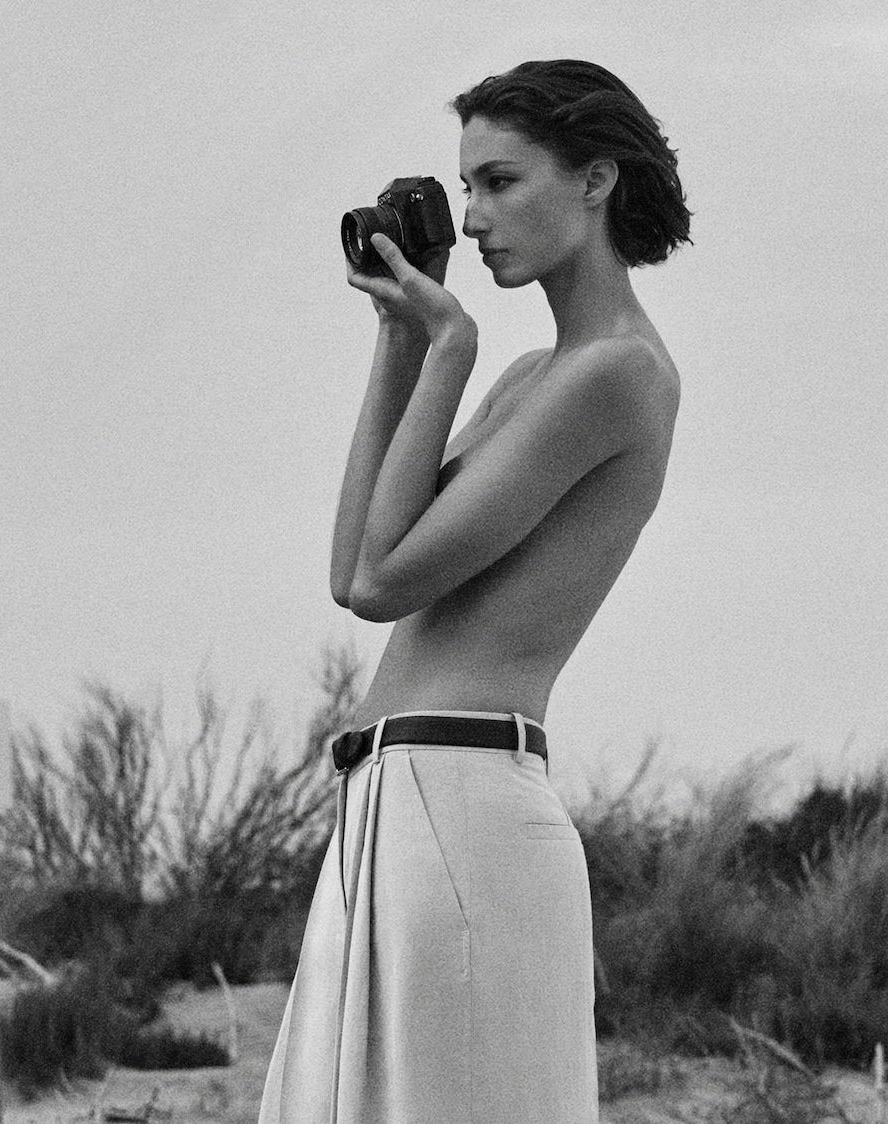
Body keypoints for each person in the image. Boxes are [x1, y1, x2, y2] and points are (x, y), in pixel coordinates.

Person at [259, 59, 690, 1124]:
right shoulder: (527, 380)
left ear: (595, 181)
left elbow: (380, 581)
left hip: (461, 804)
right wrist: (404, 341)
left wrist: (448, 343)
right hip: (394, 802)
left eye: (501, 182)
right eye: (467, 190)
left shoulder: (616, 372)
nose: (476, 216)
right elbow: (356, 557)